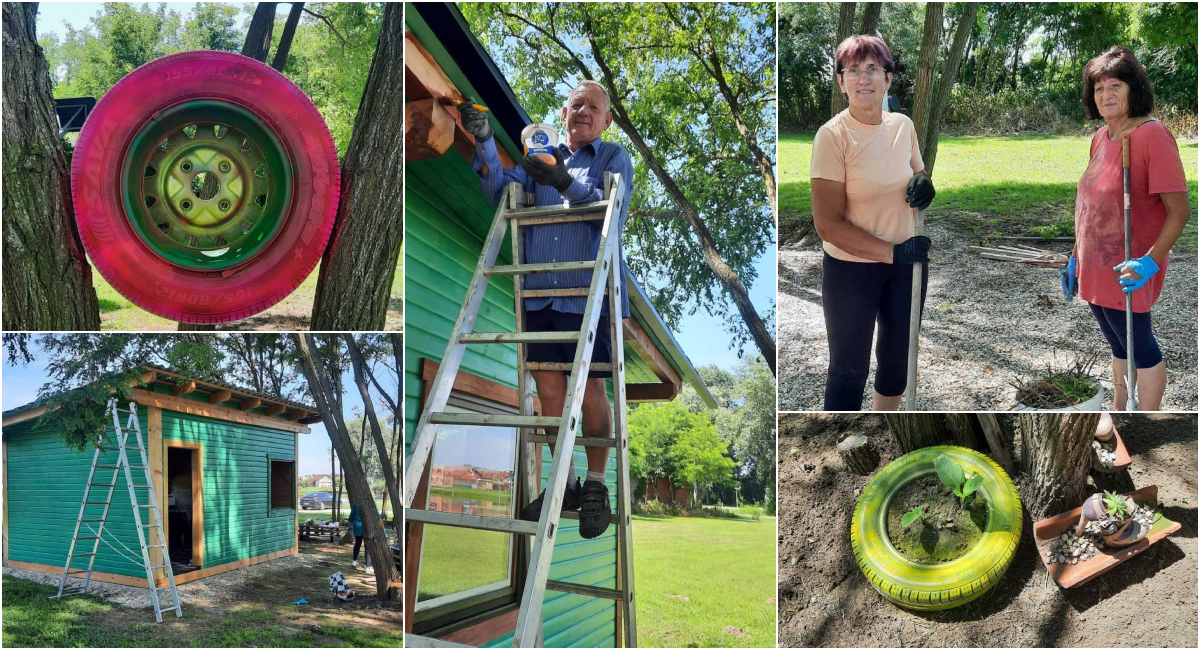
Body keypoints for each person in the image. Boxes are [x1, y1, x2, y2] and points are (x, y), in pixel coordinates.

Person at [459, 81, 635, 539]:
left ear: (606, 120)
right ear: (564, 110)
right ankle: (567, 481)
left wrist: (561, 181)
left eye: (593, 107)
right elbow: (499, 193)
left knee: (591, 389)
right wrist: (483, 141)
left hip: (587, 292)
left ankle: (595, 484)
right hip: (537, 294)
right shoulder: (538, 156)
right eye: (576, 103)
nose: (583, 111)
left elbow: (607, 213)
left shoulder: (613, 158)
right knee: (551, 391)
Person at [810, 35, 935, 411]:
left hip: (907, 266)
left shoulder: (903, 126)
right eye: (853, 71)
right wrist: (891, 253)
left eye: (872, 70)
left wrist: (925, 183)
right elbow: (828, 225)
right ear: (841, 82)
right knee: (848, 372)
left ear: (888, 79)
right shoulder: (832, 136)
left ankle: (884, 429)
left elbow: (918, 172)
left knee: (896, 365)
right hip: (852, 270)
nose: (863, 79)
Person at [1061, 46, 1189, 411]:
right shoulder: (1100, 138)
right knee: (1118, 344)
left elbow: (1179, 212)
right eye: (1099, 89)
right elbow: (1090, 207)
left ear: (1134, 89)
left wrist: (1148, 262)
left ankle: (1146, 419)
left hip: (1128, 268)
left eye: (1115, 85)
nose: (1106, 95)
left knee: (1140, 346)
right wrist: (1075, 258)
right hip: (1095, 266)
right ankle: (1121, 410)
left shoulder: (1152, 136)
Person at [348, 500, 368, 571]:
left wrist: (349, 526)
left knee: (357, 543)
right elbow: (377, 515)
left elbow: (351, 516)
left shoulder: (356, 503)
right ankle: (368, 565)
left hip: (357, 525)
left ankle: (354, 560)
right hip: (367, 525)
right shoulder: (371, 502)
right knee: (367, 545)